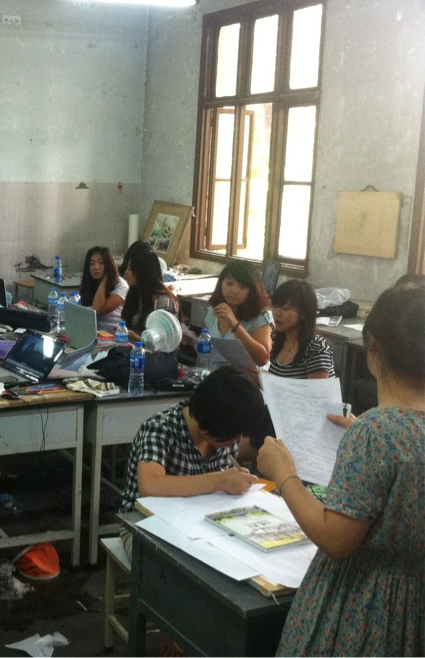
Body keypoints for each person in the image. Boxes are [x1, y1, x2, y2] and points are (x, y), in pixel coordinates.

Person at [257, 284, 424, 656]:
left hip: (362, 609)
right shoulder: (380, 432)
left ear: (374, 347)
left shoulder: (375, 433)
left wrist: (284, 474)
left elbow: (335, 539)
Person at [117, 366, 265, 560]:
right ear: (209, 418)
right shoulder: (160, 429)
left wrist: (236, 480)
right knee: (179, 569)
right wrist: (220, 480)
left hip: (201, 526)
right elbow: (150, 486)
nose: (238, 440)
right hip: (146, 525)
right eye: (232, 434)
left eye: (240, 434)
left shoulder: (224, 436)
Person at [204, 260, 273, 368]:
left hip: (246, 377)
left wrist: (235, 324)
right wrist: (193, 341)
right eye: (229, 284)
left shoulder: (260, 316)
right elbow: (210, 350)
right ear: (221, 283)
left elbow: (262, 359)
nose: (234, 291)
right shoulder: (214, 310)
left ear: (252, 290)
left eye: (242, 287)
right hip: (215, 374)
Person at [269, 279, 335, 379]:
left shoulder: (316, 348)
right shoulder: (274, 339)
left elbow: (316, 388)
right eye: (275, 307)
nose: (277, 313)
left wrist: (268, 379)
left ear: (303, 313)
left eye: (285, 308)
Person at [120, 251, 179, 341]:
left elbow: (163, 341)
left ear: (143, 273)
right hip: (134, 346)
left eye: (130, 269)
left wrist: (136, 338)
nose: (125, 273)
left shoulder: (163, 301)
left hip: (152, 349)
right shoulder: (135, 294)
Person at [79, 245, 128, 332]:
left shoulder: (121, 285)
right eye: (92, 263)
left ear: (109, 265)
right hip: (94, 332)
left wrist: (104, 281)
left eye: (101, 263)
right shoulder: (89, 283)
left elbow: (97, 310)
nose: (96, 267)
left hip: (115, 334)